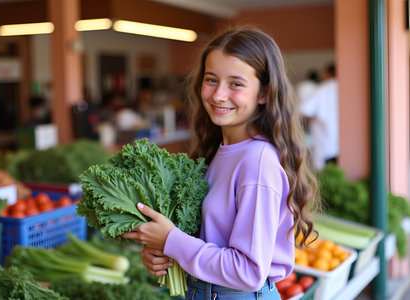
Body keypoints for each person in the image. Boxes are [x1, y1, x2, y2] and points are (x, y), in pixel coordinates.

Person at [122, 27, 320, 300]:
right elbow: (208, 241)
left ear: (263, 93)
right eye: (211, 79)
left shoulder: (257, 162)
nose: (218, 95)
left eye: (236, 84)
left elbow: (248, 272)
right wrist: (163, 252)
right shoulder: (220, 151)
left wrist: (171, 240)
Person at [299, 64, 338, 170]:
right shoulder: (346, 89)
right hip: (342, 145)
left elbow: (303, 110)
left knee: (325, 180)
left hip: (325, 145)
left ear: (328, 74)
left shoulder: (323, 89)